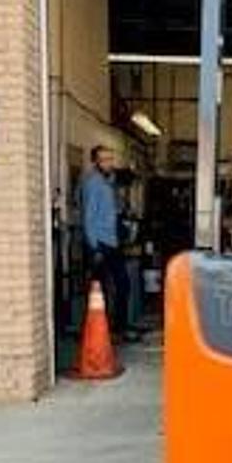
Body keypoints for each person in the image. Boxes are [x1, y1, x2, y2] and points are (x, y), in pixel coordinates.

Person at [81, 146, 139, 342]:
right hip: (100, 243)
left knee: (123, 284)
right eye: (104, 159)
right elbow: (88, 217)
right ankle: (101, 330)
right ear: (95, 162)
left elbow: (115, 206)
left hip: (113, 241)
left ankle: (118, 328)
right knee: (101, 288)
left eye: (110, 159)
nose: (109, 163)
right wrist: (93, 247)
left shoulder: (109, 182)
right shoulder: (93, 183)